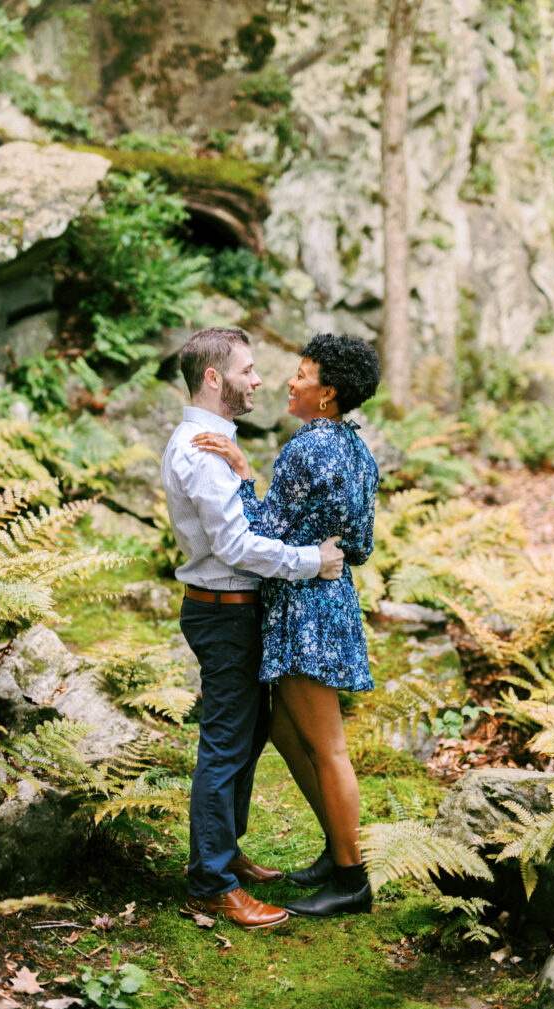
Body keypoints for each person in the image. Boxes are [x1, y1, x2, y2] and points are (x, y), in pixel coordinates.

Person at [160, 326, 345, 931]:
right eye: (248, 369)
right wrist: (311, 562)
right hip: (223, 611)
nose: (259, 379)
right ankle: (211, 882)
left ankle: (227, 851)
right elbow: (237, 545)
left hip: (233, 609)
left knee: (246, 732)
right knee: (224, 743)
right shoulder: (201, 447)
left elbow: (239, 521)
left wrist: (246, 477)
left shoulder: (215, 442)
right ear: (214, 378)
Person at [192, 332, 381, 918]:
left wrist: (244, 476)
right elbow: (363, 546)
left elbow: (262, 531)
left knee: (329, 749)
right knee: (279, 728)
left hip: (303, 609)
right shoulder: (357, 447)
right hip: (329, 599)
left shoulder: (306, 449)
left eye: (302, 374)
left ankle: (352, 879)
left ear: (326, 394)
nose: (289, 381)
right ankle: (337, 849)